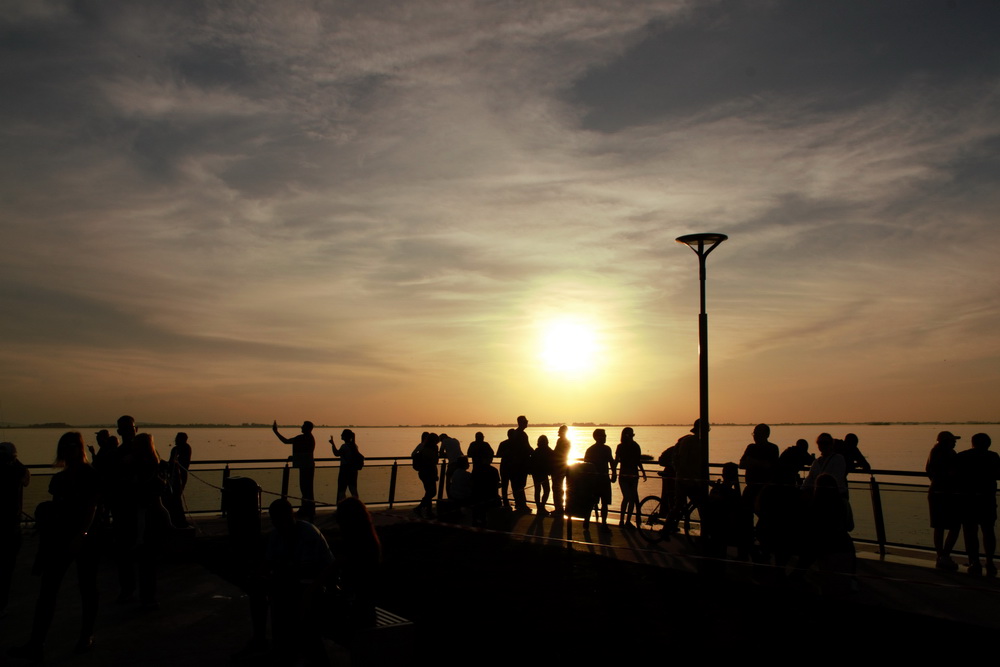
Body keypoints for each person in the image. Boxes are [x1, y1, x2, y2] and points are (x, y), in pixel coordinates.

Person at [9, 433, 99, 662]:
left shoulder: (90, 475)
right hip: (60, 538)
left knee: (86, 588)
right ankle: (37, 642)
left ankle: (86, 635)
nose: (69, 450)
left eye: (72, 446)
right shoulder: (59, 480)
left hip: (83, 539)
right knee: (48, 592)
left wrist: (82, 534)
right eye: (65, 446)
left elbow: (92, 507)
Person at [265, 498, 334, 665]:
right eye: (275, 520)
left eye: (280, 520)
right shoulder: (275, 536)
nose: (278, 524)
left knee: (296, 617)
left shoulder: (309, 533)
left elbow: (326, 568)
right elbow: (269, 564)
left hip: (314, 586)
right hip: (293, 586)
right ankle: (285, 649)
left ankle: (292, 650)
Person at [954, 433, 1000, 576]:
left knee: (970, 532)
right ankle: (990, 562)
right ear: (988, 443)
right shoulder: (993, 456)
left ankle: (974, 562)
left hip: (968, 499)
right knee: (988, 531)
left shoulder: (962, 456)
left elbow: (955, 475)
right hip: (987, 498)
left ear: (973, 443)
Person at [334, 497, 381, 631]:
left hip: (359, 605)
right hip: (364, 603)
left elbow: (336, 567)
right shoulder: (369, 539)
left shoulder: (356, 544)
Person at [926, 431, 961, 571]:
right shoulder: (948, 454)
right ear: (946, 442)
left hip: (936, 492)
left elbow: (929, 471)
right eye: (952, 440)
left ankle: (941, 555)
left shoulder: (934, 453)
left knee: (939, 526)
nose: (955, 442)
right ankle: (945, 555)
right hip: (947, 493)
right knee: (954, 526)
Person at [0, 442, 29, 615]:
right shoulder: (17, 471)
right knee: (6, 567)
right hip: (11, 523)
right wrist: (16, 459)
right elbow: (26, 478)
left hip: (9, 523)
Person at [272, 420, 316, 519]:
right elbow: (305, 451)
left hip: (305, 466)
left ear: (307, 428)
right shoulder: (310, 438)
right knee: (308, 489)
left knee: (305, 489)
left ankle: (306, 509)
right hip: (308, 465)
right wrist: (294, 457)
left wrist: (275, 431)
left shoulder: (301, 438)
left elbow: (286, 441)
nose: (301, 427)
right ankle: (309, 509)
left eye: (303, 426)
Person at [738, 423, 779, 511]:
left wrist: (753, 462)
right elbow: (741, 465)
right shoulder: (751, 447)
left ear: (766, 435)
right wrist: (760, 463)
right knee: (744, 512)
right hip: (750, 487)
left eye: (757, 434)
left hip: (765, 489)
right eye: (754, 434)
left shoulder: (772, 448)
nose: (755, 436)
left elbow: (771, 466)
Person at [614, 427, 646, 528]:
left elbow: (637, 461)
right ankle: (622, 520)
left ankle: (626, 521)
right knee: (628, 497)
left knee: (630, 498)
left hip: (631, 475)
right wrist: (613, 471)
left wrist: (643, 471)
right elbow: (616, 461)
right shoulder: (623, 446)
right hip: (625, 475)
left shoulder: (634, 446)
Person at [584, 429, 615, 528]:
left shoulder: (592, 450)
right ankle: (602, 523)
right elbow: (612, 462)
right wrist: (614, 473)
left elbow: (611, 462)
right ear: (597, 437)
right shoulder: (605, 449)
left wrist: (614, 473)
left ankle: (588, 521)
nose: (605, 437)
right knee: (601, 502)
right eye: (603, 435)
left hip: (597, 479)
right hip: (601, 479)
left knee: (594, 502)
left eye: (605, 435)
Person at [164, 432, 192, 528]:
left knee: (176, 496)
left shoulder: (185, 448)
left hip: (180, 476)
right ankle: (174, 518)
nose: (176, 440)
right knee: (173, 497)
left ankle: (180, 519)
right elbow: (171, 462)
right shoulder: (175, 449)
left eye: (177, 438)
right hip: (173, 475)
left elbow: (180, 462)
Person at [330, 429, 363, 503]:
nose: (341, 435)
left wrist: (332, 444)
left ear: (345, 436)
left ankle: (341, 506)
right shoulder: (354, 446)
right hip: (353, 470)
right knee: (353, 488)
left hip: (344, 470)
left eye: (342, 434)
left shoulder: (344, 446)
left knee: (342, 489)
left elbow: (336, 453)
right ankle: (356, 505)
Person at [412, 432, 440, 518]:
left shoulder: (424, 447)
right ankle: (420, 508)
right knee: (431, 492)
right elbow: (434, 462)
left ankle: (428, 511)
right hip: (428, 473)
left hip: (424, 473)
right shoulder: (430, 449)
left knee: (429, 492)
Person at [530, 435, 555, 516]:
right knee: (546, 490)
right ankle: (542, 506)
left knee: (537, 490)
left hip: (535, 473)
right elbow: (553, 458)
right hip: (543, 473)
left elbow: (532, 461)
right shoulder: (548, 451)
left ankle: (539, 507)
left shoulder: (536, 451)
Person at [552, 425, 571, 517]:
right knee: (560, 488)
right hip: (564, 465)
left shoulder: (561, 441)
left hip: (558, 467)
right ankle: (561, 507)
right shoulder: (567, 441)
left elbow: (557, 452)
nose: (558, 432)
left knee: (557, 488)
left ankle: (558, 508)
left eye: (559, 430)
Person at [438, 433, 464, 497]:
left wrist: (447, 454)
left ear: (442, 439)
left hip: (452, 463)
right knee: (457, 481)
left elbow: (441, 453)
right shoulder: (455, 440)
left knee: (448, 481)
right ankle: (457, 496)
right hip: (460, 463)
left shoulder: (444, 441)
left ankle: (449, 497)